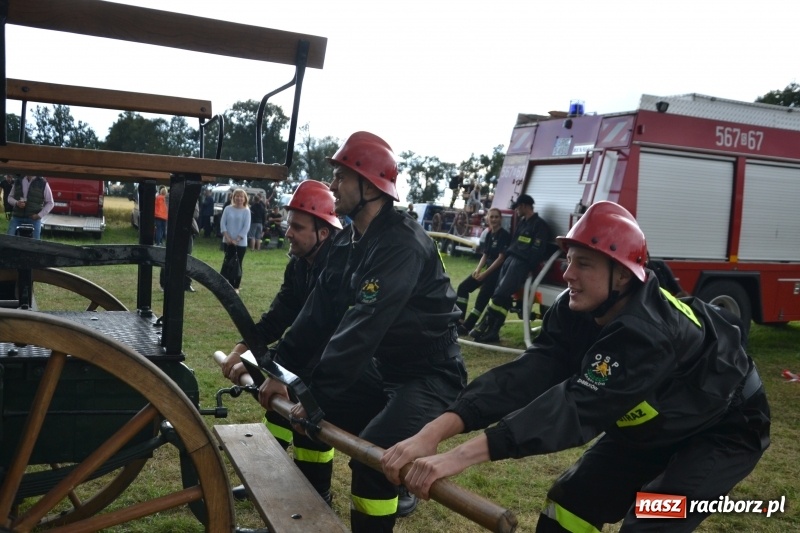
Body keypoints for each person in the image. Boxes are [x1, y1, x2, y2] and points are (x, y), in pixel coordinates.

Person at [381, 201, 770, 533]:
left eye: (583, 263)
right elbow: (527, 375)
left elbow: (574, 407)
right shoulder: (578, 309)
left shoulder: (647, 332)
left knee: (653, 516)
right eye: (568, 260)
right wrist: (432, 433)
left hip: (723, 430)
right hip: (652, 425)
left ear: (622, 275)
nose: (567, 275)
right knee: (571, 502)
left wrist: (455, 459)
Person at [258, 131, 468, 532]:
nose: (332, 187)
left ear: (369, 186)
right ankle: (311, 511)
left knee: (373, 461)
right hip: (384, 369)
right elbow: (316, 313)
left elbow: (362, 328)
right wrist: (281, 370)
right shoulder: (348, 241)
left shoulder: (400, 244)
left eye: (340, 177)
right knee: (311, 422)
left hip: (429, 376)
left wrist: (313, 391)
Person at [221, 180, 342, 500]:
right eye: (289, 224)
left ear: (323, 233)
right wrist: (241, 350)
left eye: (297, 227)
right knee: (274, 392)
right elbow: (277, 317)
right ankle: (269, 476)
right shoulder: (299, 265)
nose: (287, 232)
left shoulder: (341, 266)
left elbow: (325, 332)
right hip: (309, 350)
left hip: (340, 358)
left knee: (309, 412)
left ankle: (317, 494)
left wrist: (285, 372)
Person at [470, 194, 551, 343]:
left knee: (500, 294)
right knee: (503, 296)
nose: (516, 211)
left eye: (518, 207)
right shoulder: (522, 222)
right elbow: (514, 243)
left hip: (521, 263)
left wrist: (529, 269)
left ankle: (484, 324)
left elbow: (537, 251)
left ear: (524, 206)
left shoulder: (539, 225)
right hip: (510, 260)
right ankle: (493, 332)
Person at [455, 208, 511, 335]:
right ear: (487, 219)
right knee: (463, 287)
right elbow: (485, 254)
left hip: (496, 271)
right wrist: (477, 270)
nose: (494, 219)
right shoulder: (490, 234)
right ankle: (459, 319)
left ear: (501, 219)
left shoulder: (504, 235)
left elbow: (501, 258)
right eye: (491, 217)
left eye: (496, 217)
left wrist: (485, 274)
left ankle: (466, 327)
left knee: (482, 299)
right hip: (486, 268)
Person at [220, 188, 250, 294]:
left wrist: (237, 239)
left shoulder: (246, 211)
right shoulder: (228, 209)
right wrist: (228, 238)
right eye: (237, 196)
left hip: (240, 243)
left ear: (244, 198)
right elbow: (223, 224)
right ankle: (225, 284)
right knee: (227, 262)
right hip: (227, 241)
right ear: (234, 197)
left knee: (238, 263)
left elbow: (246, 227)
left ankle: (235, 286)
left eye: (241, 196)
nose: (239, 198)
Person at [6, 174, 55, 239]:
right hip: (17, 217)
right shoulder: (18, 181)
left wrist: (39, 215)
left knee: (35, 244)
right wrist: (17, 203)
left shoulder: (43, 183)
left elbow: (50, 203)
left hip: (34, 218)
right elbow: (9, 198)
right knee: (9, 240)